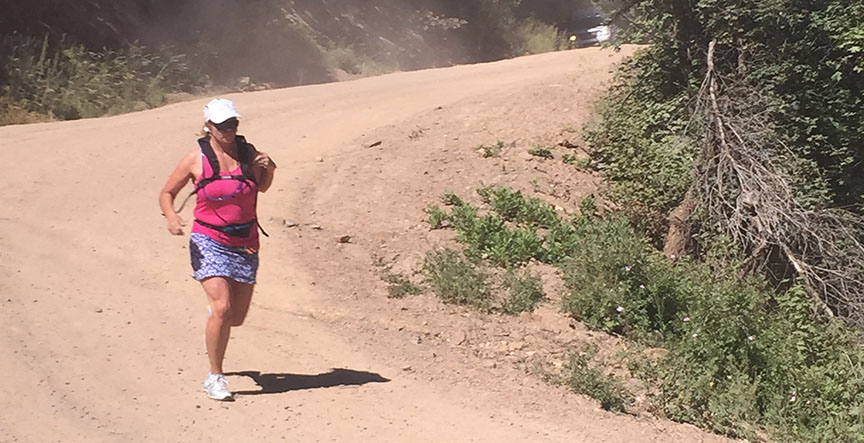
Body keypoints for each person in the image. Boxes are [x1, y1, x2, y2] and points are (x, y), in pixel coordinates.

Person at [158, 98, 276, 401]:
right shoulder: (195, 158)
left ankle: (218, 314)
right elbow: (167, 193)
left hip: (246, 242)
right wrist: (171, 216)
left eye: (232, 124)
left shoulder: (249, 154)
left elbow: (261, 187)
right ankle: (215, 376)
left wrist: (270, 169)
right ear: (208, 126)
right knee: (223, 308)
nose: (228, 130)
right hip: (208, 239)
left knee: (235, 318)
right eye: (222, 125)